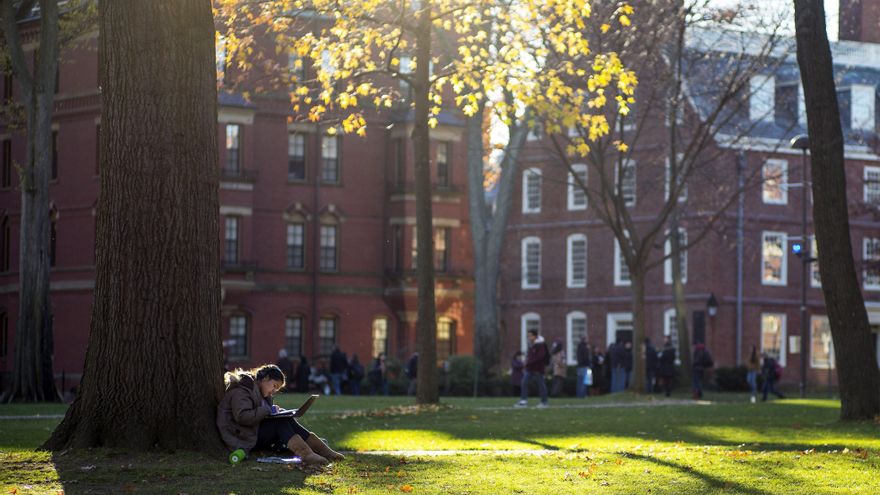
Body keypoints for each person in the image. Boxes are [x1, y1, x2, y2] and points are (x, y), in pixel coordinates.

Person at [216, 364, 344, 465]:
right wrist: (268, 411)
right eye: (274, 386)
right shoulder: (243, 390)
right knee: (280, 422)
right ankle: (307, 454)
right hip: (242, 438)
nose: (273, 391)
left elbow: (259, 412)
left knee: (286, 419)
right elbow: (242, 417)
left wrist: (276, 412)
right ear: (265, 378)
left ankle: (324, 451)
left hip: (250, 432)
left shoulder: (259, 392)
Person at [516, 329, 549, 408]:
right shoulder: (531, 344)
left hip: (538, 368)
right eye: (528, 336)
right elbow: (531, 356)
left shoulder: (541, 345)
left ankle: (544, 402)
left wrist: (528, 362)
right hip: (530, 368)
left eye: (530, 335)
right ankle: (524, 401)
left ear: (535, 336)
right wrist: (527, 362)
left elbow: (540, 357)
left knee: (541, 384)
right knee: (524, 382)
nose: (529, 337)